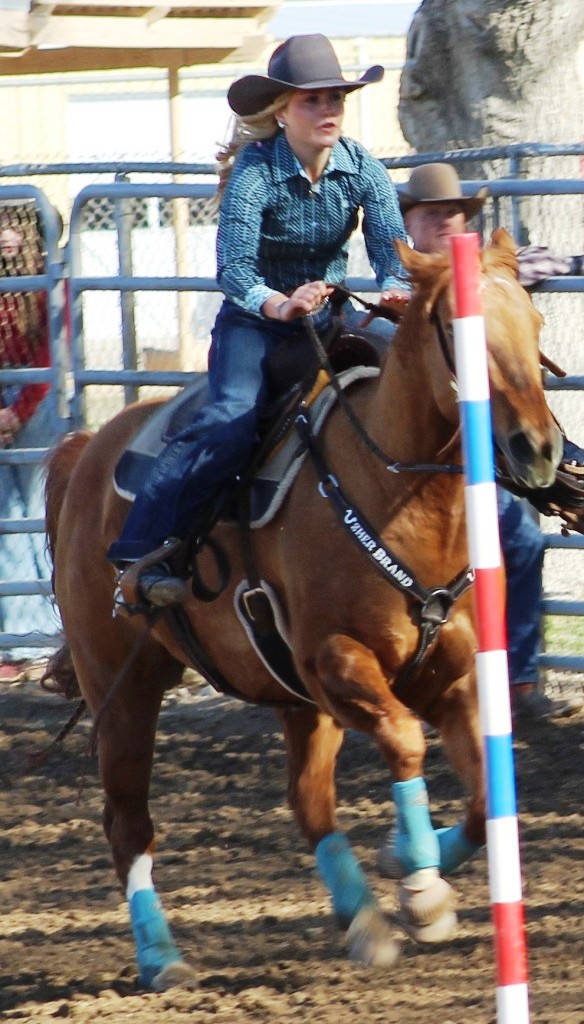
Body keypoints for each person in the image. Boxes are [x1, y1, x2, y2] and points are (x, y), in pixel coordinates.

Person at [110, 33, 410, 607]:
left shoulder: (363, 167)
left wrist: (396, 291)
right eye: (311, 101)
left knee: (412, 387)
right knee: (229, 421)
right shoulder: (254, 171)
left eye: (335, 100)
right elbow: (235, 271)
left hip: (331, 321)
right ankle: (140, 552)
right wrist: (282, 303)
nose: (327, 111)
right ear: (281, 111)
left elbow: (392, 256)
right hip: (256, 326)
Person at [398, 162, 581, 720]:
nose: (447, 223)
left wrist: (567, 263)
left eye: (454, 213)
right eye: (433, 215)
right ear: (411, 223)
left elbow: (537, 262)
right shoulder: (402, 274)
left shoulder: (487, 271)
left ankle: (518, 680)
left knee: (520, 540)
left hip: (488, 441)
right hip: (420, 451)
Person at [0, 201, 64, 681]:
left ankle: (45, 635)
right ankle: (18, 637)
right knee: (6, 513)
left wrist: (16, 412)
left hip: (36, 396)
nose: (6, 235)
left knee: (35, 508)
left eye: (15, 225)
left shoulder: (50, 281)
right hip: (5, 396)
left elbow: (50, 358)